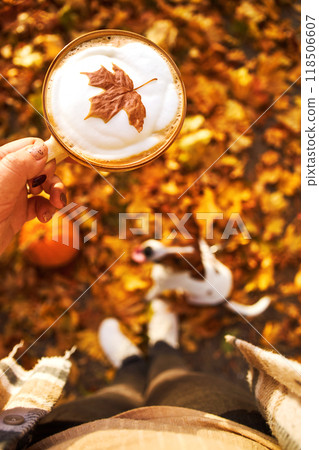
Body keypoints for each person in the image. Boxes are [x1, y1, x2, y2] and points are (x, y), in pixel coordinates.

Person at [0, 138, 300, 449]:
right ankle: (161, 349)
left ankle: (134, 362)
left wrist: (160, 284)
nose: (145, 253)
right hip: (219, 430)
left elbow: (167, 270)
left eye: (151, 253)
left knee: (115, 399)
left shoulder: (177, 275)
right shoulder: (184, 255)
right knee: (177, 381)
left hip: (86, 437)